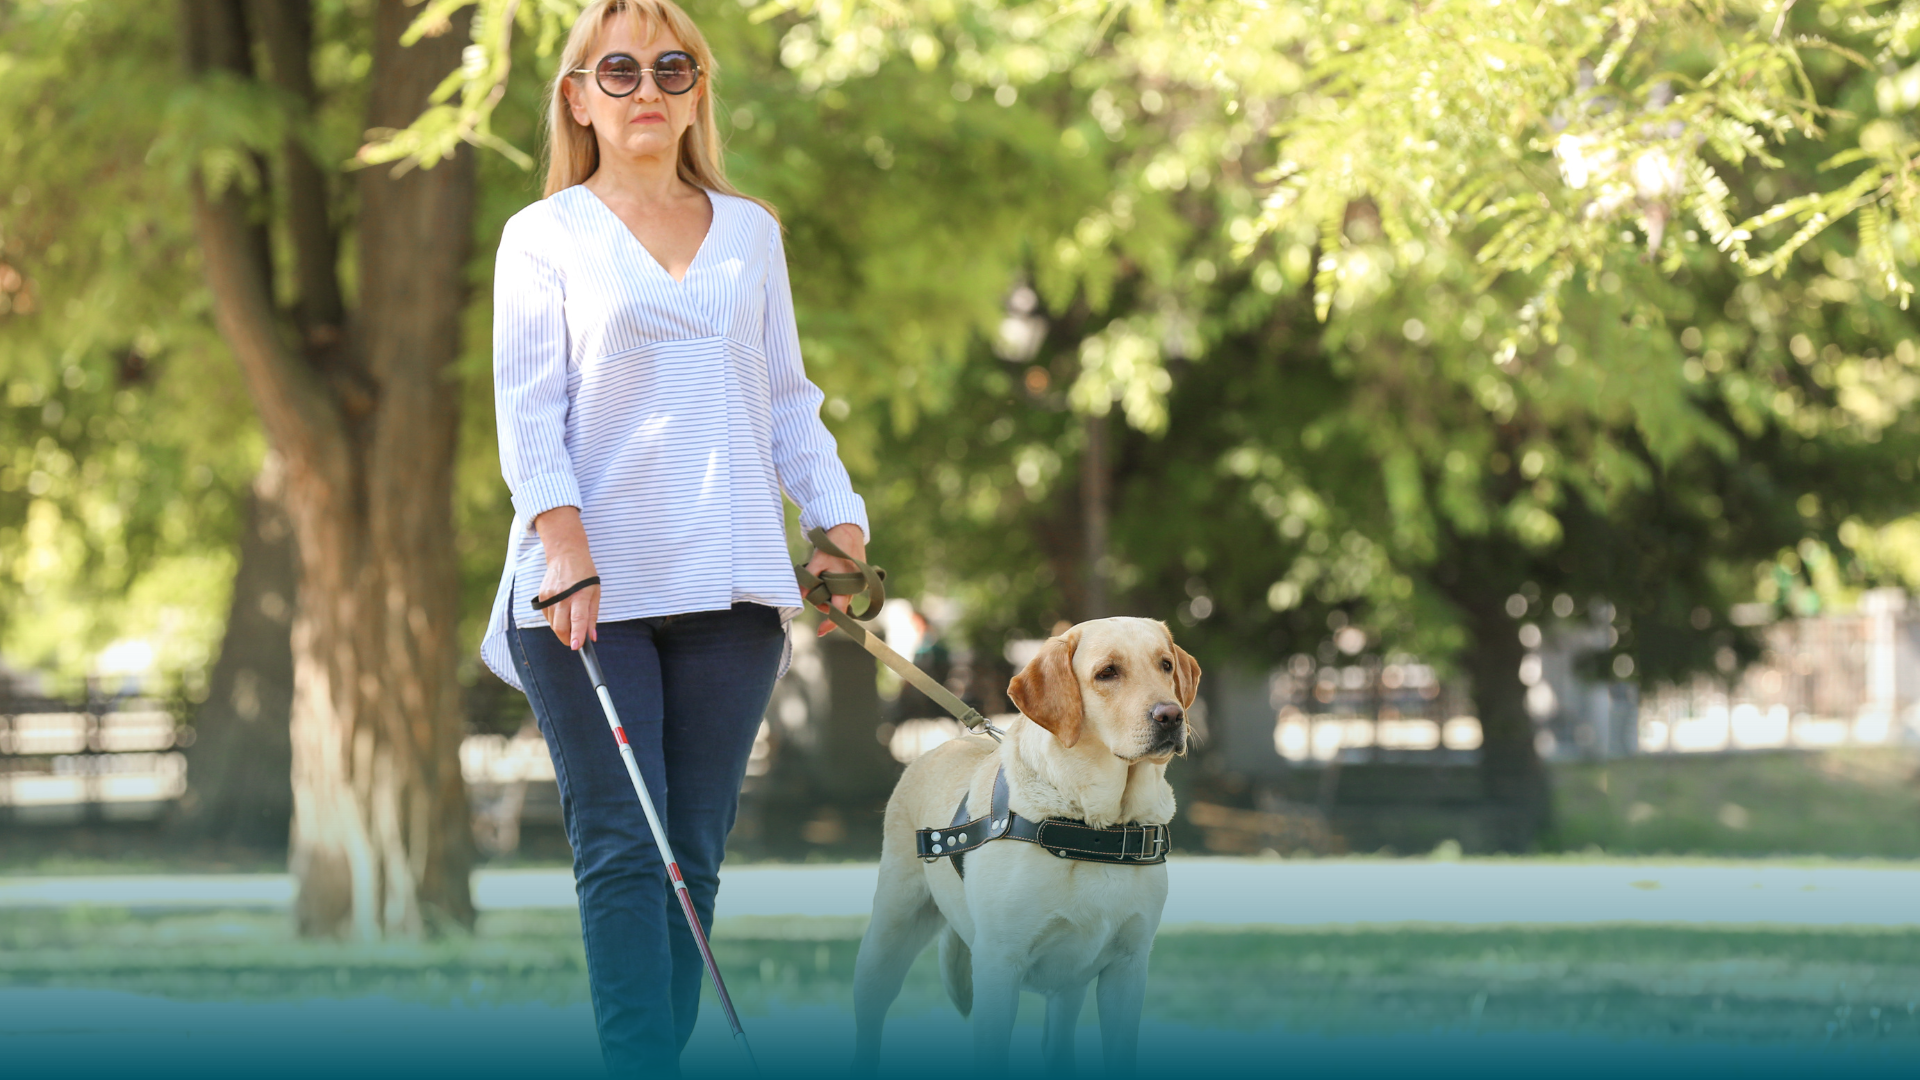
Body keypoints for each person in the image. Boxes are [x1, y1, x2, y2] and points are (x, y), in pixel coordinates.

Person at [478, 1, 870, 1072]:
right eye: (618, 69)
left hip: (732, 589)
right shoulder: (543, 236)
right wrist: (562, 540)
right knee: (624, 848)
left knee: (690, 859)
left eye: (671, 65)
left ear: (698, 88)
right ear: (579, 97)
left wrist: (836, 526)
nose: (647, 86)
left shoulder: (751, 232)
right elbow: (527, 407)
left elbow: (788, 401)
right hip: (586, 592)